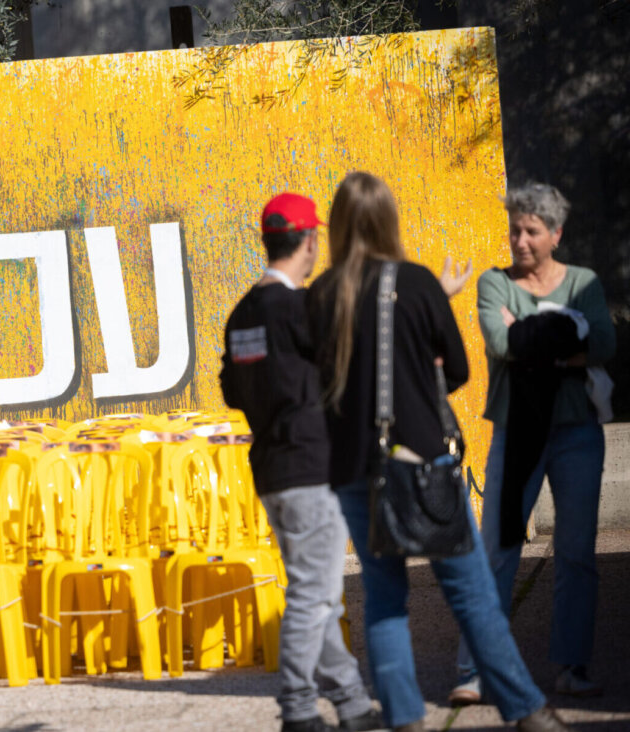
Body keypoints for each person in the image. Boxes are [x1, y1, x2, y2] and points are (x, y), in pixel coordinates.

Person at [305, 171, 569, 732]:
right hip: (422, 462)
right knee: (472, 596)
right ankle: (526, 710)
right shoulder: (418, 284)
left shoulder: (321, 296)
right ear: (388, 221)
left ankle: (404, 719)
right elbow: (460, 371)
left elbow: (318, 389)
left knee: (383, 600)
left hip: (353, 470)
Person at [219, 192, 382, 732]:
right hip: (312, 467)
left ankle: (353, 702)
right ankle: (296, 706)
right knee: (314, 596)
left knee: (320, 595)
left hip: (271, 468)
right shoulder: (302, 307)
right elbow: (346, 371)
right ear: (310, 241)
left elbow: (231, 389)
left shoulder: (243, 311)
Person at [450, 183, 616, 704]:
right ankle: (476, 672)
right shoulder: (494, 283)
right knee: (497, 551)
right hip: (516, 432)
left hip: (577, 436)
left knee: (575, 554)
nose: (519, 240)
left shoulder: (583, 282)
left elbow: (605, 345)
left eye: (531, 230)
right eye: (514, 229)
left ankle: (571, 667)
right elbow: (501, 345)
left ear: (555, 234)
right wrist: (568, 340)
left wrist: (529, 337)